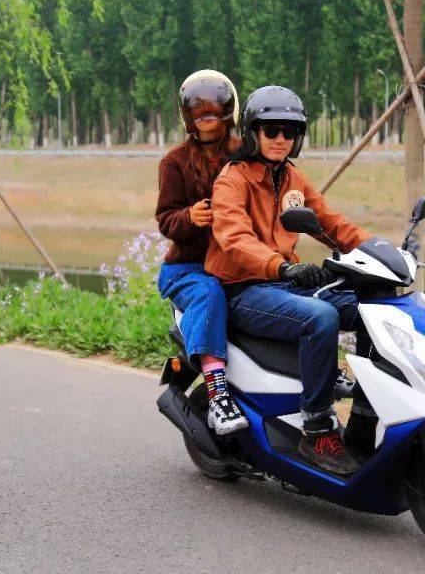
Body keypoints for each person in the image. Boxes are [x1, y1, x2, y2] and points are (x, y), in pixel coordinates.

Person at [205, 85, 378, 476]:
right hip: (245, 290)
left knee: (374, 308)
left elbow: (332, 224)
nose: (280, 138)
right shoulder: (232, 180)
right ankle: (317, 429)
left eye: (289, 131)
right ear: (253, 132)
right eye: (271, 130)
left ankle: (364, 418)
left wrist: (384, 253)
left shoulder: (293, 179)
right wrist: (281, 267)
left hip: (284, 284)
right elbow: (235, 238)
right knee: (320, 317)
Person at [156, 70, 248, 436]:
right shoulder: (174, 162)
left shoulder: (245, 154)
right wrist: (189, 217)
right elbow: (166, 220)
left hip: (237, 265)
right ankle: (218, 395)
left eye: (213, 108)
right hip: (189, 269)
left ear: (229, 111)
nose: (206, 115)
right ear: (187, 116)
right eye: (197, 109)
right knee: (209, 294)